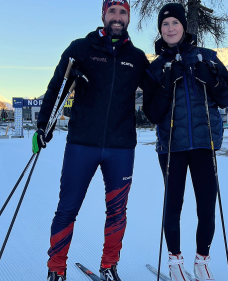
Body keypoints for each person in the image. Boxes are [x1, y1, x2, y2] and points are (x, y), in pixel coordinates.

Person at [33, 0, 149, 280]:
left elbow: (157, 98)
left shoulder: (137, 58)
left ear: (128, 17)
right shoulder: (80, 49)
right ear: (103, 15)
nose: (117, 18)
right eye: (113, 12)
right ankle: (56, 269)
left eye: (123, 12)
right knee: (67, 208)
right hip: (81, 144)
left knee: (117, 211)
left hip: (121, 148)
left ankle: (109, 266)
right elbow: (55, 89)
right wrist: (42, 127)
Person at [141, 3, 228, 281]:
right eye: (165, 24)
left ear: (184, 27)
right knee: (174, 204)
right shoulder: (155, 67)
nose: (170, 28)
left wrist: (212, 82)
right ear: (160, 30)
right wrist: (167, 85)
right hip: (171, 147)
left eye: (175, 23)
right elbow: (152, 113)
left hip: (205, 144)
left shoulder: (208, 58)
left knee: (207, 205)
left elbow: (226, 97)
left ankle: (202, 261)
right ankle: (174, 262)